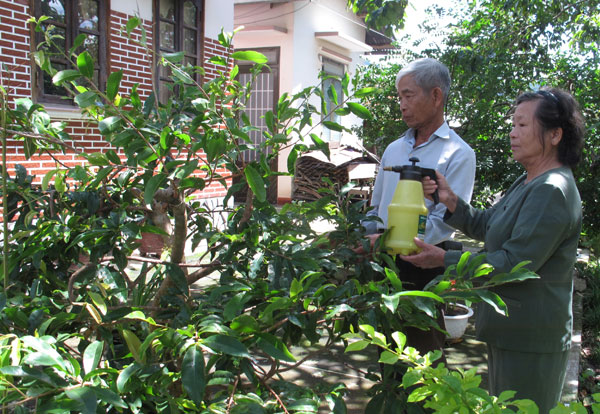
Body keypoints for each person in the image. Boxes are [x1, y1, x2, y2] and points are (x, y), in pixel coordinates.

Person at [402, 88, 585, 413]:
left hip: (531, 339)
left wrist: (444, 258)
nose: (513, 133)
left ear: (555, 134)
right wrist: (450, 200)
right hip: (513, 332)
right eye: (512, 124)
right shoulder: (529, 180)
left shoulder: (552, 190)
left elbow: (513, 263)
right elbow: (490, 226)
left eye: (523, 125)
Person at [362, 58, 476, 356]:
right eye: (399, 96)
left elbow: (445, 222)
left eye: (408, 95)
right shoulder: (394, 149)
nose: (401, 104)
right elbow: (377, 205)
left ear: (436, 96)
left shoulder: (459, 153)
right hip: (382, 260)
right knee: (384, 348)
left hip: (425, 264)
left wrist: (392, 239)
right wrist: (367, 240)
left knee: (423, 352)